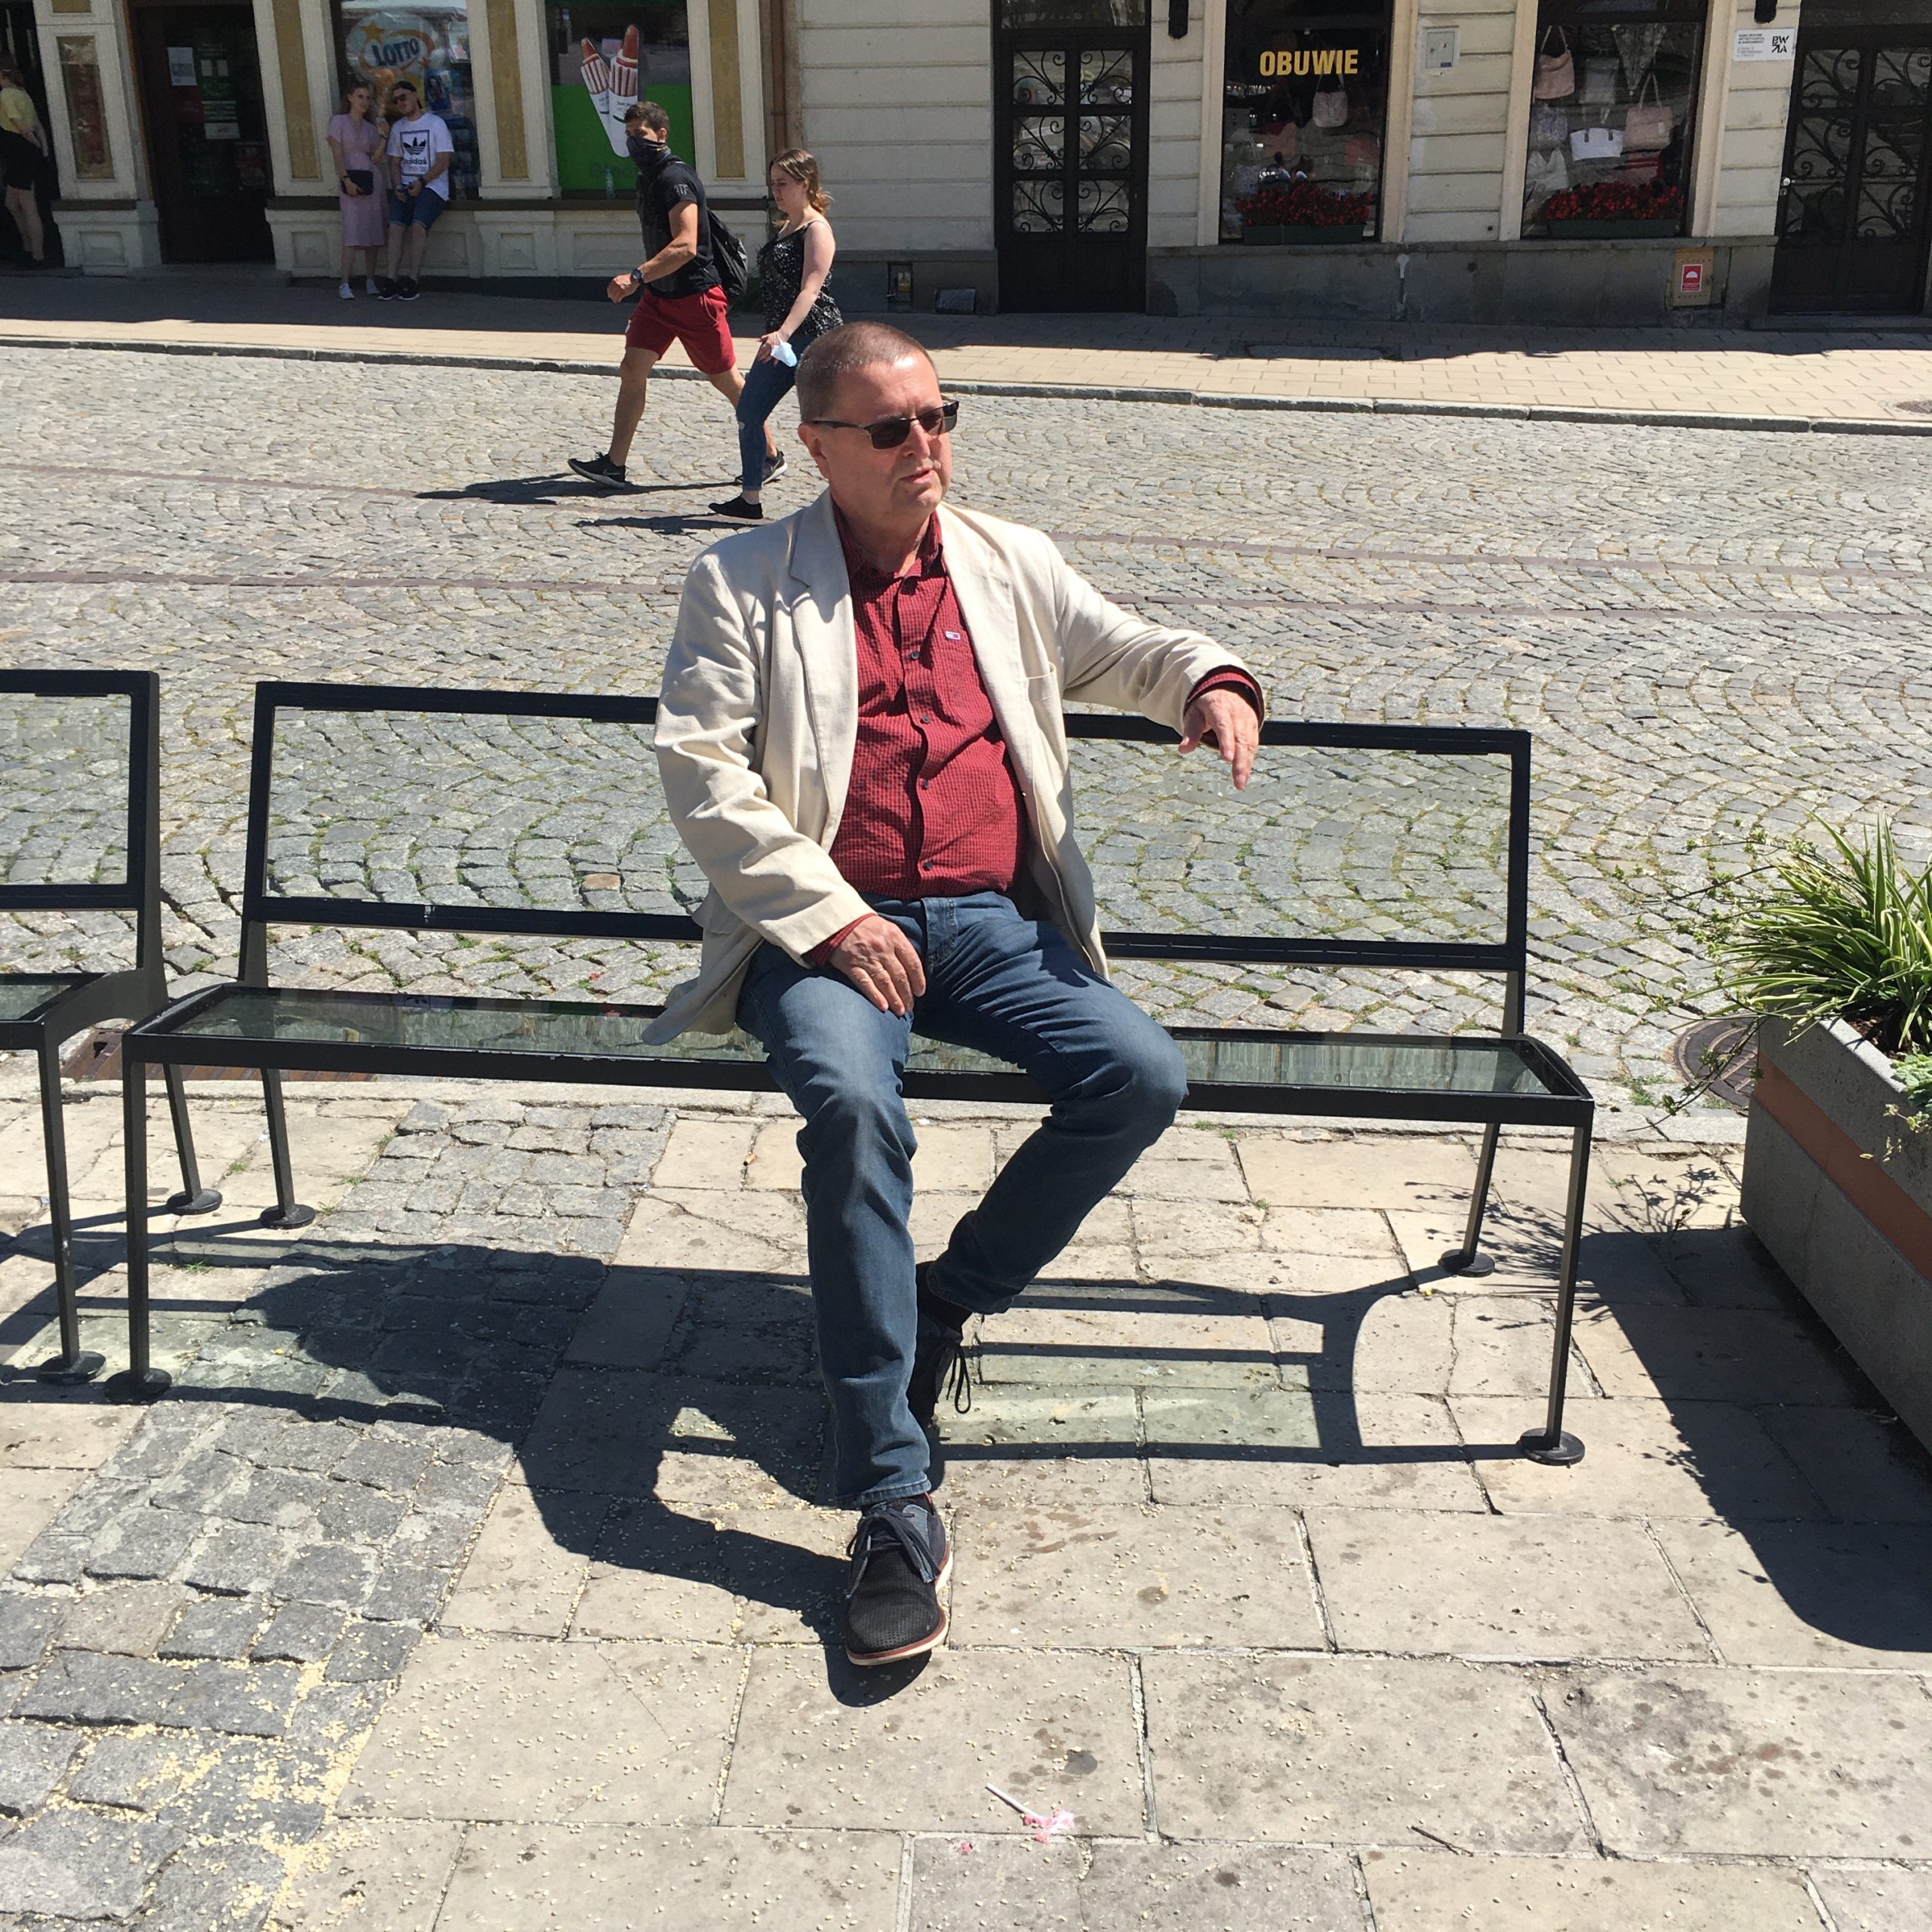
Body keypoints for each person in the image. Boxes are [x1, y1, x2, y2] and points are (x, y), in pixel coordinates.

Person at [651, 321, 1264, 1666]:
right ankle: (890, 1493)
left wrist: (1209, 680)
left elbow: (1125, 649)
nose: (924, 446)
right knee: (852, 1106)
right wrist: (831, 916)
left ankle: (945, 1299)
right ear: (815, 445)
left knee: (1140, 1076)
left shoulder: (1006, 561)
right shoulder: (742, 580)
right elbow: (703, 770)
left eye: (939, 416)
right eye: (891, 428)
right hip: (823, 928)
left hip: (987, 922)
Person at [567, 100, 776, 494]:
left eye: (640, 134)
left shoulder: (675, 178)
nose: (633, 142)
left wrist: (636, 276)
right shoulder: (648, 177)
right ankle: (614, 465)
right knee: (632, 369)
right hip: (659, 298)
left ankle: (769, 455)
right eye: (628, 135)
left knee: (727, 380)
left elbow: (685, 245)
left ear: (661, 135)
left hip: (695, 298)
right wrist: (647, 282)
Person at [709, 147, 841, 523]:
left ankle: (849, 498)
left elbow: (810, 290)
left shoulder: (816, 230)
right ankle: (750, 499)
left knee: (827, 424)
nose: (776, 191)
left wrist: (782, 334)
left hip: (814, 338)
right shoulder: (786, 227)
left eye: (783, 183)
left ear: (806, 183)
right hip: (782, 340)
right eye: (773, 184)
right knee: (750, 410)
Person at [377, 79, 452, 302]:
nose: (400, 103)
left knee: (418, 226)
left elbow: (443, 160)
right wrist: (397, 186)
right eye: (396, 100)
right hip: (405, 185)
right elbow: (394, 163)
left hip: (433, 186)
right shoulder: (398, 128)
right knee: (395, 227)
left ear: (414, 96)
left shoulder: (436, 124)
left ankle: (412, 280)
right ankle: (391, 279)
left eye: (403, 97)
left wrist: (422, 181)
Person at [327, 82, 386, 299]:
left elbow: (376, 159)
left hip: (371, 178)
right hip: (350, 177)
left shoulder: (370, 128)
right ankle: (345, 283)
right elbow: (337, 154)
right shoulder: (338, 122)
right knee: (352, 231)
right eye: (360, 96)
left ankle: (370, 280)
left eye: (368, 98)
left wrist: (384, 138)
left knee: (373, 230)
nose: (364, 101)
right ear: (350, 97)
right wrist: (345, 179)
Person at [0, 62, 48, 269]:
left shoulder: (7, 95)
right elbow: (38, 125)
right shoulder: (24, 94)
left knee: (28, 204)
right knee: (12, 203)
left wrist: (33, 143)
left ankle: (37, 254)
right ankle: (28, 247)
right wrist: (43, 150)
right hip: (24, 150)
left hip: (19, 149)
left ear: (4, 77)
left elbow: (20, 125)